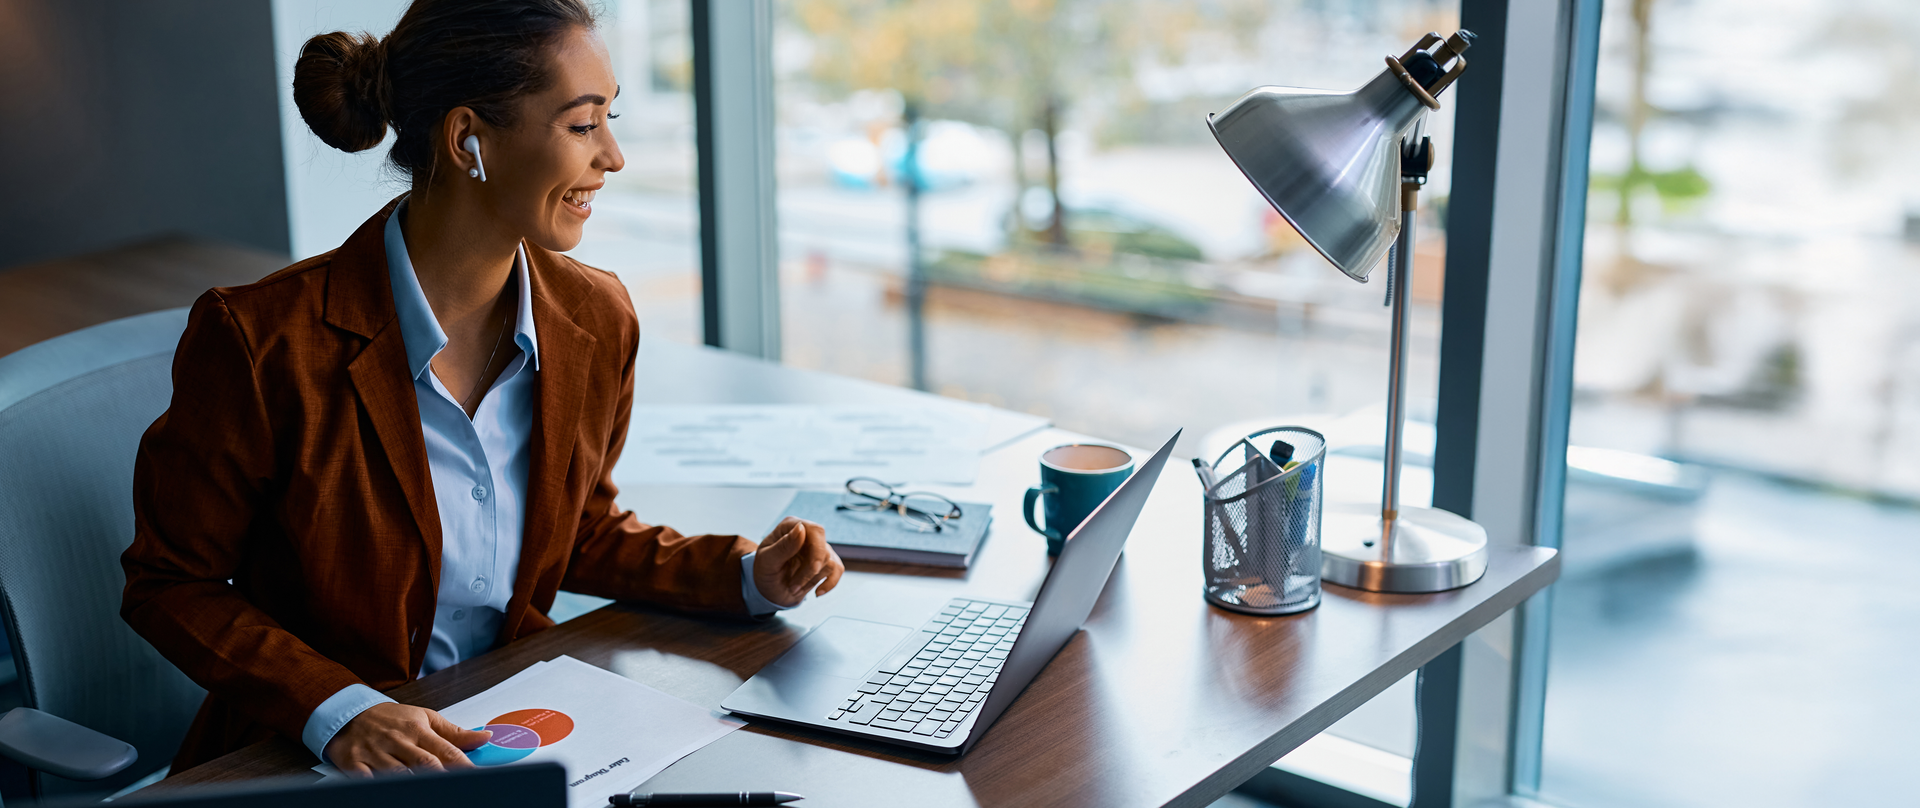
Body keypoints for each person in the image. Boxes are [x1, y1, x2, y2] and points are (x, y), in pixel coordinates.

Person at [119, 0, 844, 779]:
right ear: (469, 139)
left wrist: (745, 576)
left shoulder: (596, 319)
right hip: (305, 761)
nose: (614, 156)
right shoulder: (263, 341)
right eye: (582, 124)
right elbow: (170, 584)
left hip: (502, 725)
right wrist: (339, 710)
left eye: (611, 118)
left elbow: (579, 534)